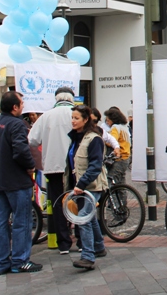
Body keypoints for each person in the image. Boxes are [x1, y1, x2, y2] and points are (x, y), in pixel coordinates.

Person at [0, 91, 42, 275]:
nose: (24, 106)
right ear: (15, 107)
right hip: (16, 181)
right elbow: (20, 150)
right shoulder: (17, 124)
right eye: (22, 103)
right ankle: (20, 261)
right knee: (21, 222)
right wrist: (30, 166)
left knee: (1, 222)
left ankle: (1, 263)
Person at [28, 86, 77, 254]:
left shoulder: (46, 116)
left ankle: (63, 243)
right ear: (71, 98)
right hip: (75, 165)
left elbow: (32, 140)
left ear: (56, 98)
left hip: (52, 165)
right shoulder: (77, 113)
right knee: (78, 199)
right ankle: (81, 239)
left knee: (57, 202)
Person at [66, 106, 107, 270]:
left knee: (83, 217)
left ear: (85, 120)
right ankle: (98, 246)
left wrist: (81, 184)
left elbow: (95, 166)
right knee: (88, 216)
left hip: (92, 186)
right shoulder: (76, 138)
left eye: (76, 118)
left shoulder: (93, 139)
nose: (73, 121)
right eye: (72, 117)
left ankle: (88, 256)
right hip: (80, 185)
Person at [103, 107, 131, 186]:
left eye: (108, 120)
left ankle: (112, 198)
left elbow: (112, 141)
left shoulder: (115, 127)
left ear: (113, 120)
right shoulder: (124, 127)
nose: (107, 122)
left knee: (111, 182)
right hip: (126, 158)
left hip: (119, 158)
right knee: (121, 183)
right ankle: (122, 198)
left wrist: (104, 140)